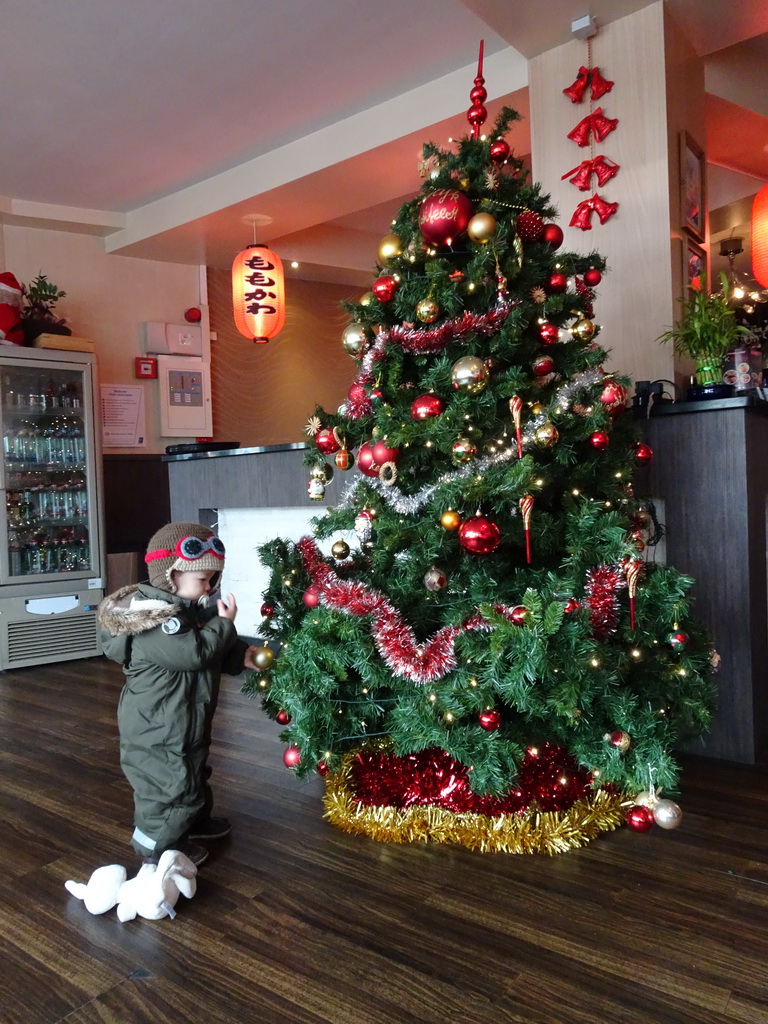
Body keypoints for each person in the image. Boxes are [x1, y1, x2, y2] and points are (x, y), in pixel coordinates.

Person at [98, 522, 258, 867]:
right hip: (156, 726)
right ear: (170, 575)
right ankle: (154, 847)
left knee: (194, 770)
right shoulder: (154, 620)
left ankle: (193, 823)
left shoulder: (188, 612)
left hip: (184, 719)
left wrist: (238, 654)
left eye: (214, 579)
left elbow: (207, 647)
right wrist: (225, 624)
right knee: (167, 785)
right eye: (203, 579)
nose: (211, 587)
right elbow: (194, 653)